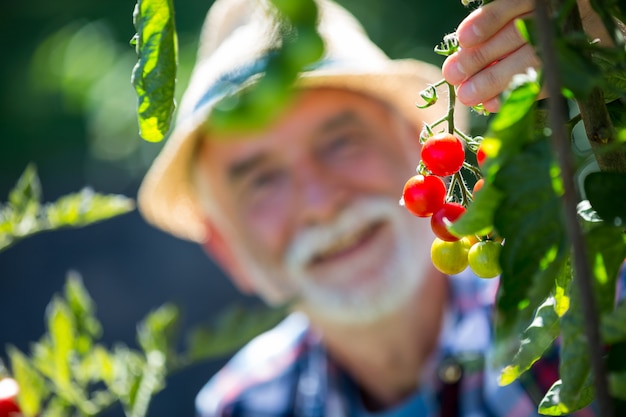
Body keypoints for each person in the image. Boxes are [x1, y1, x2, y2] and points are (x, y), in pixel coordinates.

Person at [137, 0, 617, 415]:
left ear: (419, 147)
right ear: (226, 248)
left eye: (342, 143)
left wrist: (615, 53)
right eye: (261, 181)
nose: (320, 203)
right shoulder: (240, 408)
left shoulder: (593, 309)